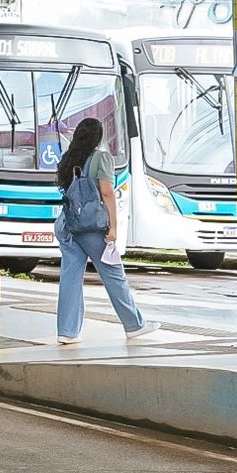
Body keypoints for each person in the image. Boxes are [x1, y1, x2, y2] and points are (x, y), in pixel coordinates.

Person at [54, 118, 159, 345]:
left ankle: (67, 331)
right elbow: (107, 193)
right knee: (113, 274)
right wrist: (113, 226)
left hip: (66, 225)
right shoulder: (101, 157)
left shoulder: (68, 158)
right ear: (99, 137)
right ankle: (134, 325)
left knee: (70, 277)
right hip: (91, 227)